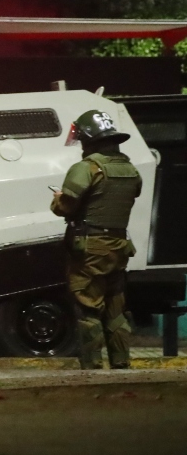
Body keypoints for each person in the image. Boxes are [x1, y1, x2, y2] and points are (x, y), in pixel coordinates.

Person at [51, 110, 141, 370]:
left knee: (88, 308)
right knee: (115, 309)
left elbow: (64, 207)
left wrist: (57, 198)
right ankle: (121, 362)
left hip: (90, 249)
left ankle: (92, 368)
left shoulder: (86, 168)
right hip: (119, 246)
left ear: (89, 139)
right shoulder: (130, 168)